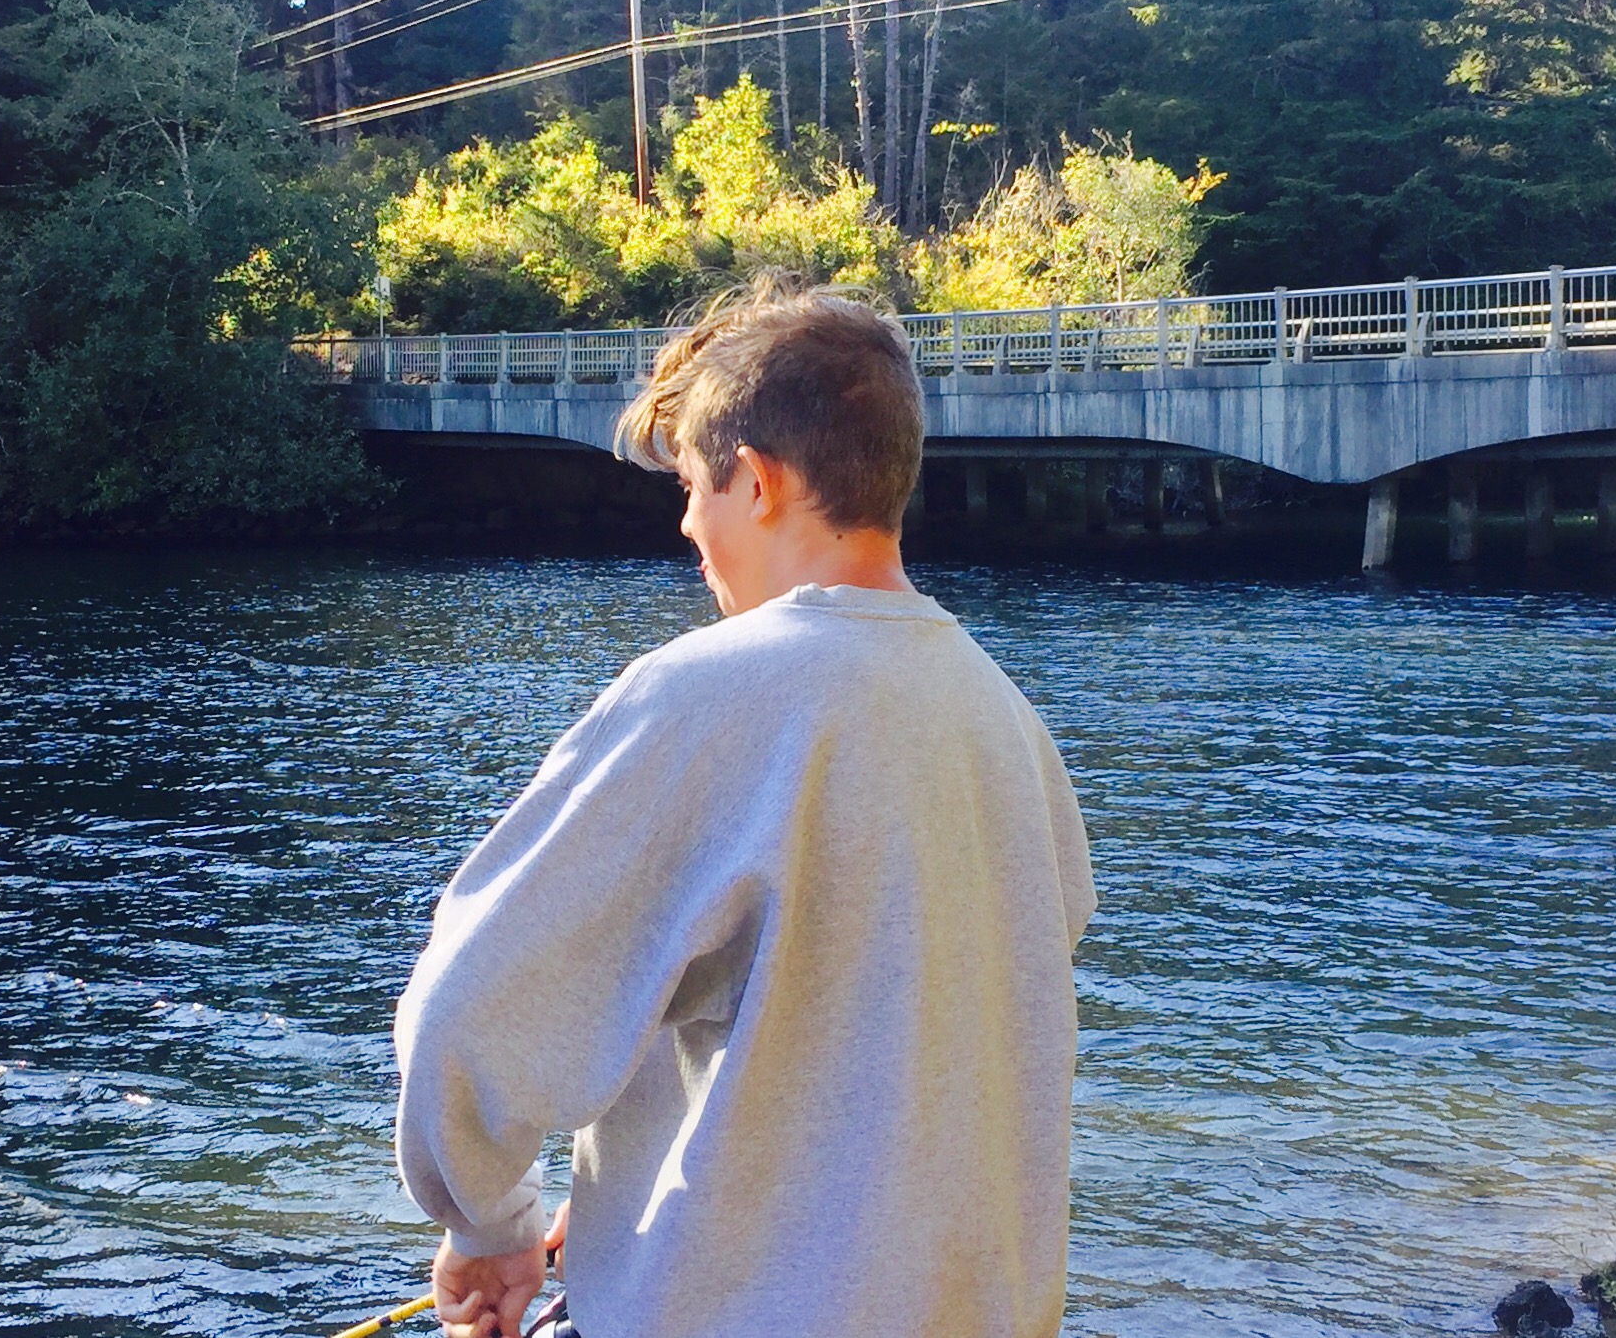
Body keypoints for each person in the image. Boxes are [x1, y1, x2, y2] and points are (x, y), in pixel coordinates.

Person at [392, 278, 1096, 1338]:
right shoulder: (1009, 724)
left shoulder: (704, 694)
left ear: (758, 482)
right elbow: (892, 1050)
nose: (686, 523)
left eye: (692, 487)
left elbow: (467, 1012)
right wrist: (628, 1206)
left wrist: (489, 1220)